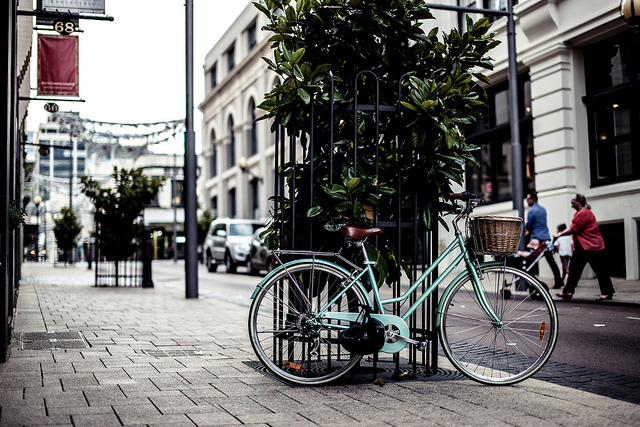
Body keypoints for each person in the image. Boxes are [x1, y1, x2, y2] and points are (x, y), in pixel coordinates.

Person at [554, 194, 615, 301]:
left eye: (573, 200)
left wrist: (559, 234)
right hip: (583, 247)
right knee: (574, 269)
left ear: (580, 201)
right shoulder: (581, 213)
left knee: (600, 270)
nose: (571, 202)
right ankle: (568, 291)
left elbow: (574, 228)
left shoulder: (584, 212)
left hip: (591, 246)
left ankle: (607, 293)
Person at [524, 191, 564, 289]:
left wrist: (527, 230)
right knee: (551, 261)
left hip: (536, 239)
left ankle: (531, 283)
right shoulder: (543, 209)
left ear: (533, 199)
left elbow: (528, 225)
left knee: (531, 261)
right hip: (546, 239)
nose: (527, 201)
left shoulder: (532, 211)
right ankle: (558, 281)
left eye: (528, 199)